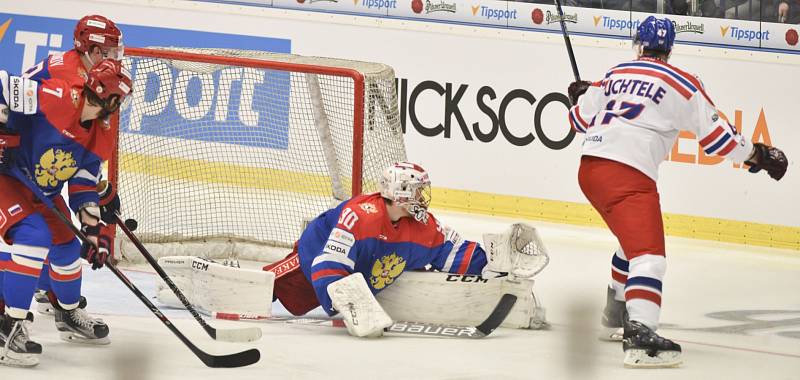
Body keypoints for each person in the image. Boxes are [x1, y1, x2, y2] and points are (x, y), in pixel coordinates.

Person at [566, 15, 787, 368]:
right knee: (650, 258)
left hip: (590, 169)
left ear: (638, 45)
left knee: (631, 242)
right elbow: (719, 139)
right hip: (627, 174)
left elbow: (577, 121)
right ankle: (640, 335)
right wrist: (758, 155)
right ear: (669, 50)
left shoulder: (613, 73)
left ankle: (615, 311)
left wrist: (578, 96)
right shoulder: (684, 82)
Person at [262, 161, 542, 338]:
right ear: (401, 192)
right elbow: (328, 261)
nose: (423, 197)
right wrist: (348, 303)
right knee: (271, 289)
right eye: (419, 191)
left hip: (364, 267)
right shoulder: (361, 215)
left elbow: (449, 252)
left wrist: (490, 265)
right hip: (314, 253)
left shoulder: (422, 226)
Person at [0, 58, 132, 367]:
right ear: (111, 99)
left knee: (68, 246)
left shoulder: (101, 131)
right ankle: (9, 326)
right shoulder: (56, 95)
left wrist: (93, 232)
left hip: (39, 190)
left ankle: (67, 311)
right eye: (118, 100)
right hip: (5, 179)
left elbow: (84, 180)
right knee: (35, 236)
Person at [18, 14, 124, 318]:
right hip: (20, 167)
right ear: (92, 50)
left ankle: (46, 290)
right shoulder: (68, 83)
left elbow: (83, 153)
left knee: (57, 237)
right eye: (109, 51)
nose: (115, 56)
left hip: (43, 172)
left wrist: (94, 192)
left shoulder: (88, 77)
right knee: (32, 236)